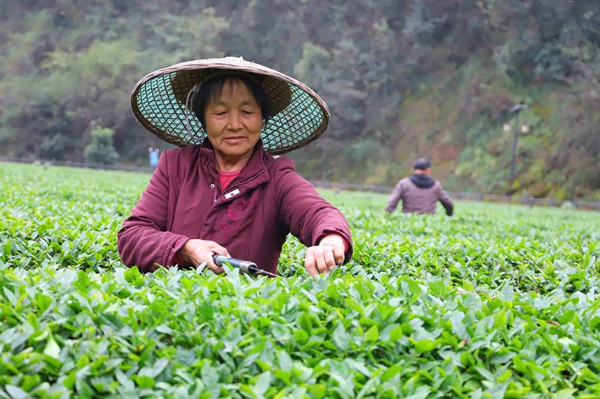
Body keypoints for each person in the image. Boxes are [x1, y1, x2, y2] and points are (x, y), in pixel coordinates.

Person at [118, 57, 353, 277]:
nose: (234, 124)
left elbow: (320, 213)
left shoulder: (277, 177)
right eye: (220, 112)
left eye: (247, 112)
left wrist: (330, 241)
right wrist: (185, 248)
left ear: (262, 119)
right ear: (203, 118)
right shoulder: (175, 167)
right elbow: (132, 237)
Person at [385, 157, 454, 216]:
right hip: (430, 224)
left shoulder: (404, 183)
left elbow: (392, 202)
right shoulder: (436, 186)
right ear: (428, 169)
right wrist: (449, 215)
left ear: (414, 169)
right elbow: (449, 204)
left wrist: (388, 217)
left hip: (408, 222)